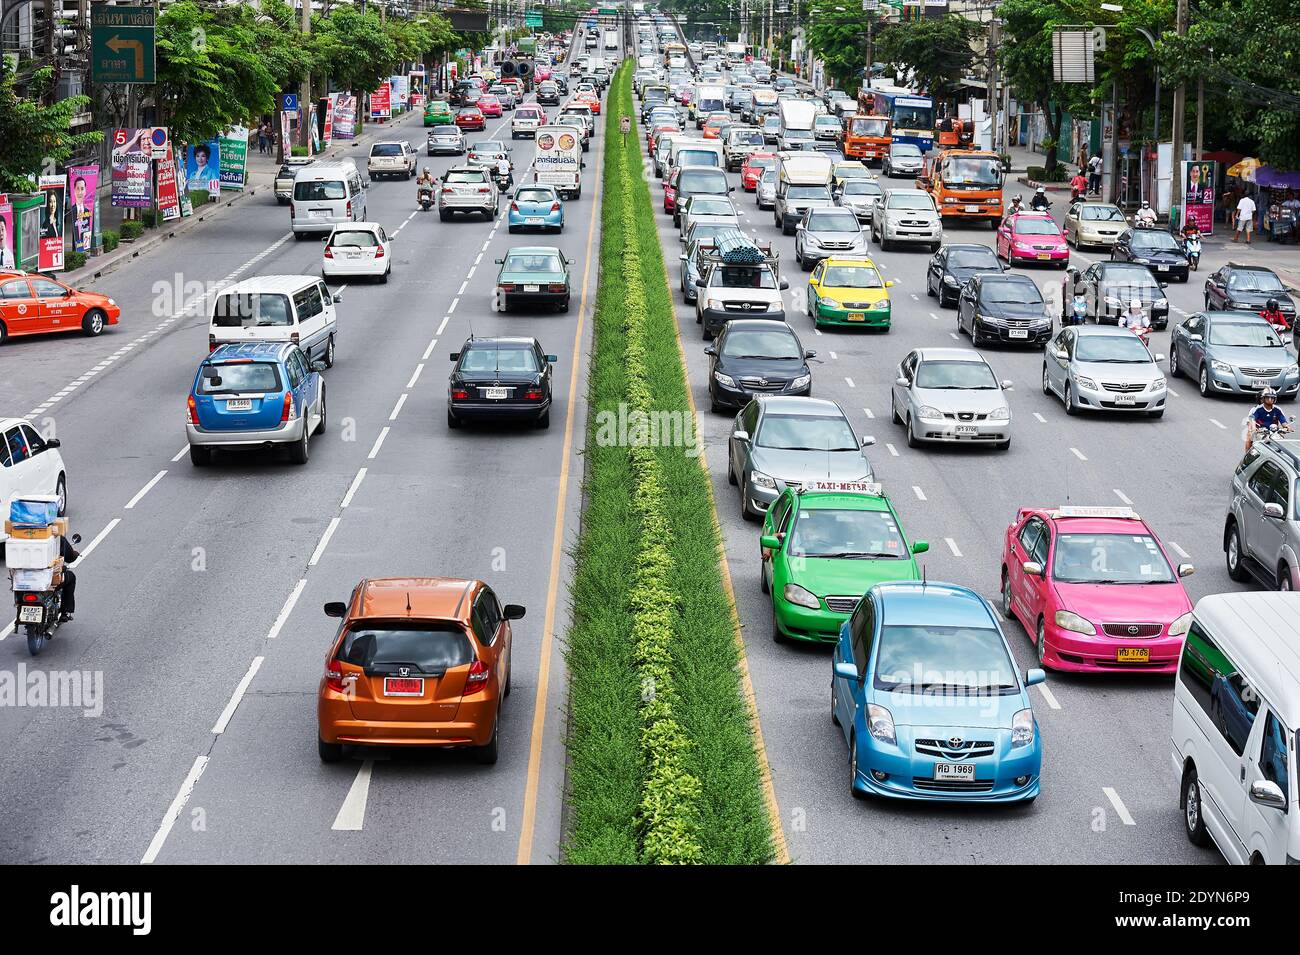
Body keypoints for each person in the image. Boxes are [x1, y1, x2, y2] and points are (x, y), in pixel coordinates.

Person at [1247, 387, 1292, 451]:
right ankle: (1248, 456)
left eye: (1272, 398)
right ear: (1263, 398)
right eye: (1268, 397)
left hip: (1275, 432)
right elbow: (1252, 419)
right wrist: (1253, 428)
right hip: (1261, 432)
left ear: (1275, 399)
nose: (1270, 399)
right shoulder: (1257, 409)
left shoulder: (1277, 410)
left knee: (1283, 444)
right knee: (1249, 438)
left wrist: (1287, 427)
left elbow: (1283, 421)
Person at [58, 533, 79, 623]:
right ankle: (65, 611)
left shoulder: (18, 537)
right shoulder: (56, 537)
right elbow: (70, 557)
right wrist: (75, 554)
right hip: (49, 579)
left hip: (22, 581)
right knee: (71, 577)